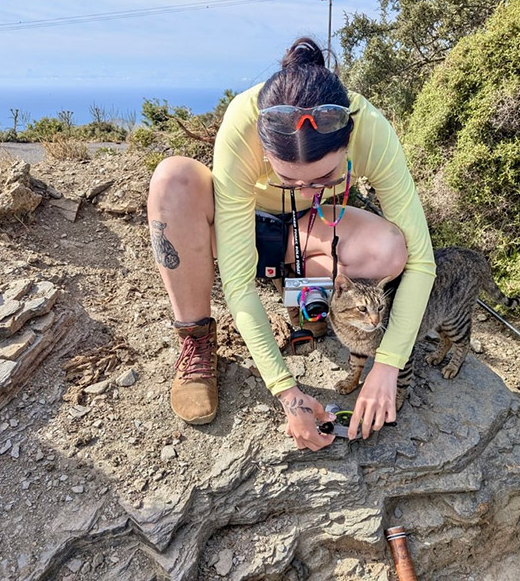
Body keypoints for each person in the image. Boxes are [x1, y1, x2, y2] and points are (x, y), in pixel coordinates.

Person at [147, 37, 435, 451]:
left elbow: (422, 262)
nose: (306, 187)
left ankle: (304, 299)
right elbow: (239, 284)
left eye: (324, 178)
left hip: (306, 228)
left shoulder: (370, 127)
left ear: (348, 141)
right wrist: (287, 392)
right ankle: (196, 340)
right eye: (290, 179)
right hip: (240, 226)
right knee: (172, 179)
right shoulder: (243, 123)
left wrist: (388, 365)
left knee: (390, 249)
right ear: (265, 149)